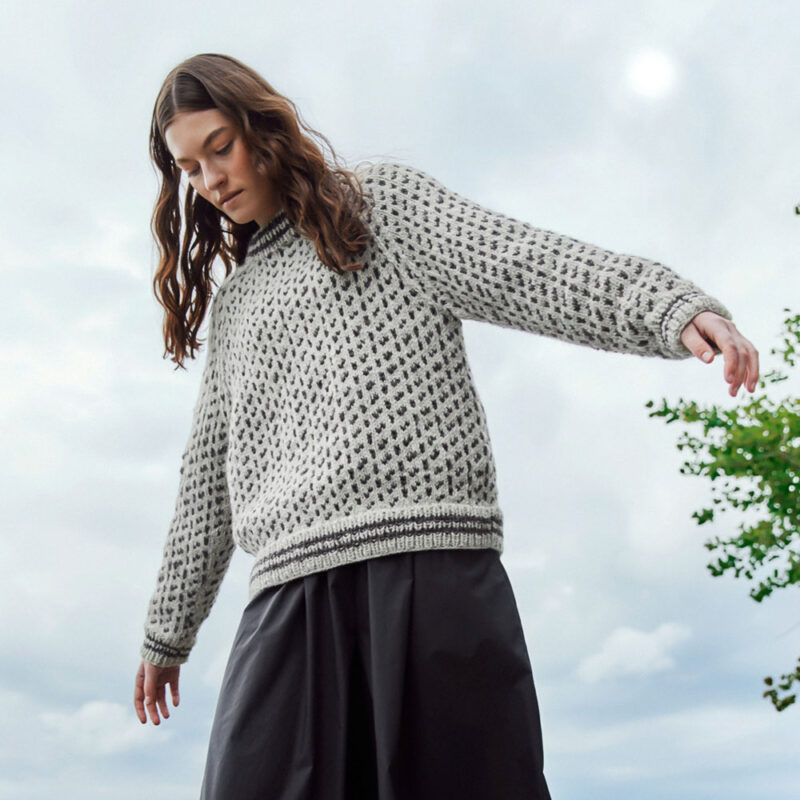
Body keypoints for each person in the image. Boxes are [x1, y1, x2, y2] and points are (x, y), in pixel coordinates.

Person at [132, 52, 759, 799]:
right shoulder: (236, 307)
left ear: (260, 126)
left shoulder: (380, 208)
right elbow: (207, 480)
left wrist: (669, 307)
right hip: (288, 601)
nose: (211, 180)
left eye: (220, 148)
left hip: (430, 577)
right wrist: (167, 632)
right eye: (189, 167)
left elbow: (523, 266)